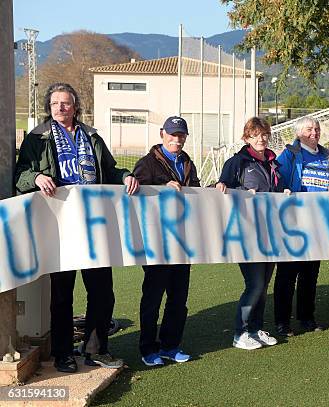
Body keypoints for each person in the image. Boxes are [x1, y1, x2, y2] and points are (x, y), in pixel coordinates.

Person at [15, 82, 139, 373]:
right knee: (62, 293)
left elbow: (110, 169)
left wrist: (126, 176)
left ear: (75, 106)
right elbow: (20, 174)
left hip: (94, 226)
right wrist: (35, 178)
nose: (60, 107)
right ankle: (62, 352)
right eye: (55, 103)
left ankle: (97, 349)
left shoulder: (91, 136)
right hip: (59, 224)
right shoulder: (38, 138)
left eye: (66, 103)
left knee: (101, 291)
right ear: (49, 107)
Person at [216, 117, 289, 349]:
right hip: (246, 233)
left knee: (263, 284)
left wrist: (283, 191)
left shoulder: (273, 163)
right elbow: (222, 189)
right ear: (246, 138)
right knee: (255, 284)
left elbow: (276, 190)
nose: (261, 139)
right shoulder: (237, 162)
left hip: (271, 232)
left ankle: (256, 329)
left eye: (264, 134)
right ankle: (241, 332)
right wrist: (235, 190)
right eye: (255, 134)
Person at [133, 116, 199, 366]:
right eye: (172, 134)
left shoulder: (187, 162)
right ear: (162, 134)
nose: (177, 139)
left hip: (182, 243)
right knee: (152, 297)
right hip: (155, 243)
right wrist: (161, 185)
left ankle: (171, 345)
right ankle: (148, 348)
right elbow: (136, 193)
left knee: (178, 298)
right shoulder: (147, 163)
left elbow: (197, 193)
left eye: (181, 135)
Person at [274, 116, 329, 337]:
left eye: (316, 129)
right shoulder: (289, 154)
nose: (314, 133)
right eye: (308, 129)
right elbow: (279, 180)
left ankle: (306, 317)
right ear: (298, 133)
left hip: (318, 224)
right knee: (287, 275)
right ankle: (282, 322)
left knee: (310, 274)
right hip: (293, 224)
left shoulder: (327, 156)